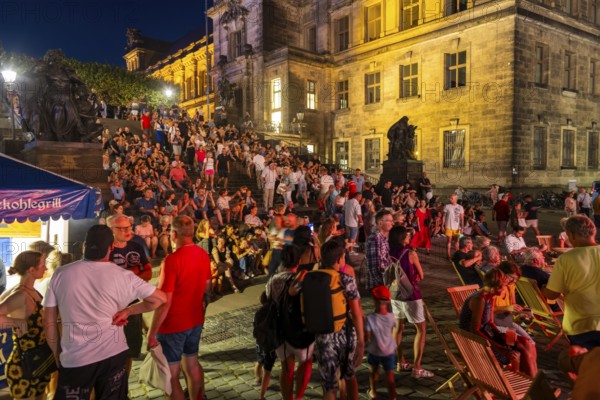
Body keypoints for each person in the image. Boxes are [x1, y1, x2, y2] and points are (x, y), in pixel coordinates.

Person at [43, 225, 166, 400]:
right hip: (113, 355)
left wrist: (57, 353)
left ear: (84, 245)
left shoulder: (61, 274)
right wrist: (128, 311)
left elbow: (48, 321)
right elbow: (159, 299)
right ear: (111, 248)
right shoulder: (125, 276)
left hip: (75, 358)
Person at [148, 216, 212, 400]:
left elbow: (164, 301)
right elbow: (207, 289)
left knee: (171, 376)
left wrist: (152, 332)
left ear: (174, 234)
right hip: (195, 320)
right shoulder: (203, 255)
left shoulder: (171, 261)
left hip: (173, 325)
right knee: (192, 365)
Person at [292, 239, 364, 400]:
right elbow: (356, 313)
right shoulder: (345, 279)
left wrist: (301, 276)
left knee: (329, 387)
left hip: (323, 337)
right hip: (345, 334)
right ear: (339, 259)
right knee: (350, 375)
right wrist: (361, 341)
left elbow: (293, 291)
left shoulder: (309, 278)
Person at [459, 269, 538, 377]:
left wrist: (501, 337)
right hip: (474, 341)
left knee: (527, 343)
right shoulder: (479, 299)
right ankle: (532, 383)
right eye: (503, 286)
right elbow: (474, 330)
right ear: (496, 286)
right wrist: (500, 348)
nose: (504, 290)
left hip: (486, 333)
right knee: (520, 350)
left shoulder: (489, 296)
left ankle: (532, 379)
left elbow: (490, 322)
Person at [106, 214, 153, 379]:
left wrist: (128, 276)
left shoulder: (136, 246)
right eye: (122, 228)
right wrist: (134, 274)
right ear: (110, 230)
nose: (128, 230)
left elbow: (148, 272)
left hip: (132, 306)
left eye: (128, 227)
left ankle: (122, 387)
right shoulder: (105, 250)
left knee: (130, 350)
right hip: (109, 309)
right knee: (109, 352)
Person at [265, 245, 314, 400]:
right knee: (305, 363)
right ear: (298, 261)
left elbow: (267, 300)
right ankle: (298, 397)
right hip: (300, 332)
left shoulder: (273, 280)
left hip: (280, 332)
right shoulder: (302, 280)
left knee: (286, 367)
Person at [544, 215, 600, 349]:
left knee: (586, 366)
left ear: (571, 235)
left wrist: (543, 289)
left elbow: (551, 294)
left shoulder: (566, 259)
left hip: (581, 326)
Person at [0, 251, 50, 399]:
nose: (46, 268)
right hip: (23, 364)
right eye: (42, 265)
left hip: (38, 360)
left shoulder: (31, 291)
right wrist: (18, 323)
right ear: (31, 270)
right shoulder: (20, 295)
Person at [388, 225, 433, 379]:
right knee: (421, 329)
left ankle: (401, 362)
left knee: (398, 327)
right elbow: (421, 274)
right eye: (407, 236)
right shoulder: (410, 254)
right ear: (402, 238)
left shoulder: (388, 252)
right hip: (411, 295)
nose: (409, 237)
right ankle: (417, 368)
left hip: (394, 294)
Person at [365, 285, 397, 399]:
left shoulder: (370, 318)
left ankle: (373, 392)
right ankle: (393, 397)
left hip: (374, 351)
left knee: (374, 373)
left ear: (374, 300)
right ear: (388, 301)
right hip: (388, 351)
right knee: (390, 377)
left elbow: (367, 337)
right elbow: (392, 330)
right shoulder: (392, 317)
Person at [366, 210, 394, 291]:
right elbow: (373, 267)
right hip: (379, 287)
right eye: (389, 221)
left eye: (392, 221)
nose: (392, 223)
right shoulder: (375, 239)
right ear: (380, 223)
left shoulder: (382, 238)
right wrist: (384, 284)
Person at [442, 194, 464, 259]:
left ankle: (457, 255)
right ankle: (448, 255)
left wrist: (462, 227)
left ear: (455, 199)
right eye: (450, 198)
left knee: (457, 241)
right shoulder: (447, 206)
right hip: (448, 226)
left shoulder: (460, 207)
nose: (450, 199)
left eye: (452, 198)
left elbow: (462, 218)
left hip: (457, 228)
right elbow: (444, 216)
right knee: (449, 241)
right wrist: (442, 225)